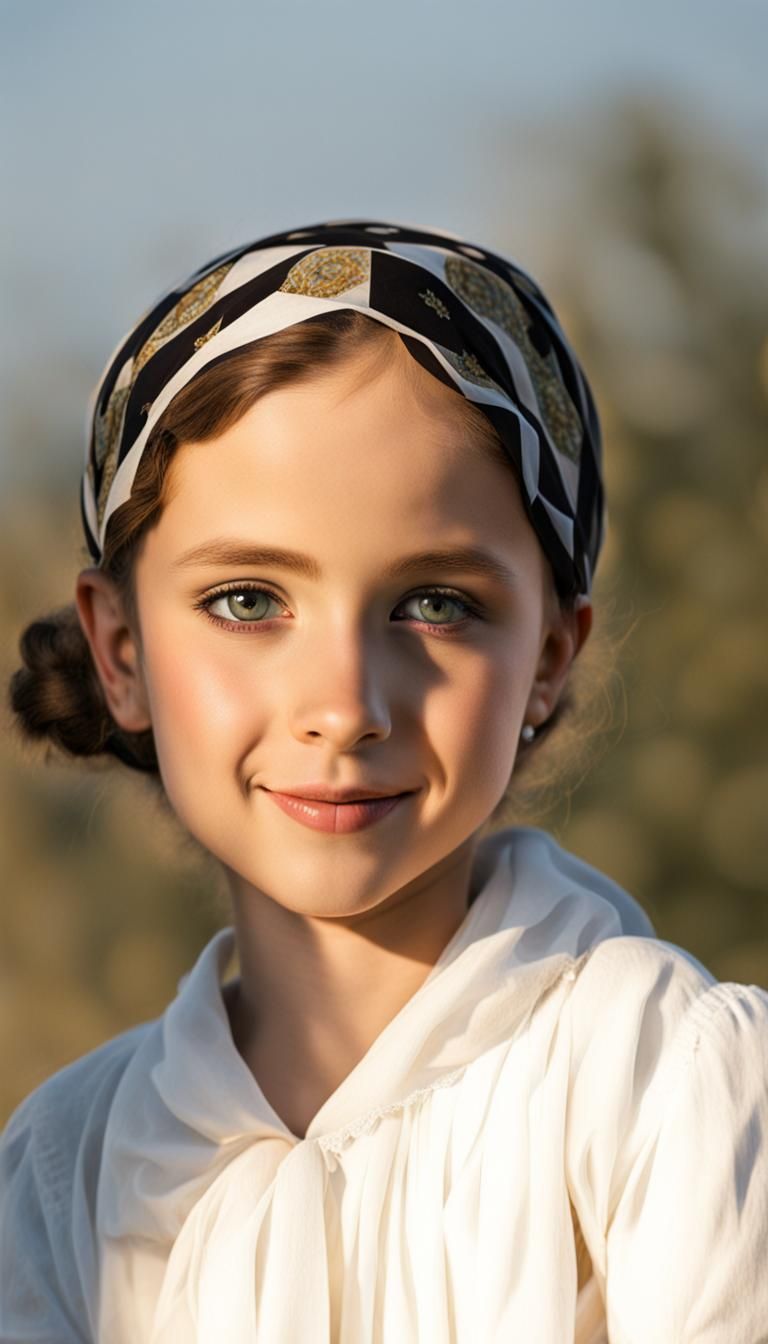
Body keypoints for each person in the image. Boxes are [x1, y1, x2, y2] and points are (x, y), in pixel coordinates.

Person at [1, 218, 766, 1344]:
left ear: (549, 656)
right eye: (249, 601)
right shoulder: (59, 1178)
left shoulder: (665, 1081)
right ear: (122, 653)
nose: (347, 704)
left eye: (436, 603)